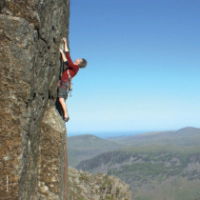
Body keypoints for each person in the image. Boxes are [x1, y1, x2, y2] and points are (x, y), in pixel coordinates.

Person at [58, 38, 87, 122]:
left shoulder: (75, 67)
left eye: (79, 59)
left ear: (79, 63)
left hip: (64, 83)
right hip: (64, 82)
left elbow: (67, 61)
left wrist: (62, 52)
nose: (77, 59)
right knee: (60, 98)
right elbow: (68, 57)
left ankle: (66, 115)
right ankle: (65, 114)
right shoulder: (74, 66)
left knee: (60, 98)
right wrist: (65, 43)